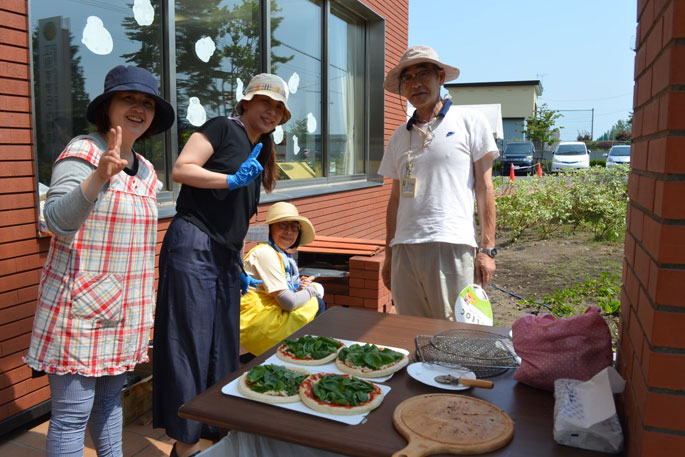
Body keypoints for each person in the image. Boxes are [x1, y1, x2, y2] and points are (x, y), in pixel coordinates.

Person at [23, 65, 175, 457]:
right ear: (108, 106)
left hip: (126, 310)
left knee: (110, 405)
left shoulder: (147, 172)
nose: (138, 108)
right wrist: (99, 176)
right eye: (129, 99)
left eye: (146, 103)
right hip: (79, 309)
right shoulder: (83, 151)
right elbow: (56, 219)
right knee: (72, 417)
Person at [152, 73, 289, 457]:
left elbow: (238, 215)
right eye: (265, 102)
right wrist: (230, 180)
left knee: (224, 344)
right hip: (193, 243)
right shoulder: (221, 128)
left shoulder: (261, 147)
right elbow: (182, 169)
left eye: (279, 107)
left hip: (224, 256)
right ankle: (186, 443)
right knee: (190, 342)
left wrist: (236, 259)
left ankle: (217, 430)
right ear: (245, 102)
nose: (271, 111)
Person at [378, 45, 498, 320]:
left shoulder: (470, 121)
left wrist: (487, 249)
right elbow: (395, 199)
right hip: (405, 247)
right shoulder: (399, 136)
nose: (415, 83)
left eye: (424, 74)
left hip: (452, 244)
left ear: (440, 78)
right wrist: (389, 253)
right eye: (407, 78)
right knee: (410, 330)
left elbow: (485, 188)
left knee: (454, 332)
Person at [240, 202, 325, 357]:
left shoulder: (281, 254)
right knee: (317, 302)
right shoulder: (265, 253)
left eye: (294, 227)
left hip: (266, 317)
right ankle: (301, 356)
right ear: (270, 228)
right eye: (283, 225)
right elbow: (288, 302)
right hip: (257, 325)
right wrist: (311, 291)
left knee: (315, 295)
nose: (289, 232)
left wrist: (302, 288)